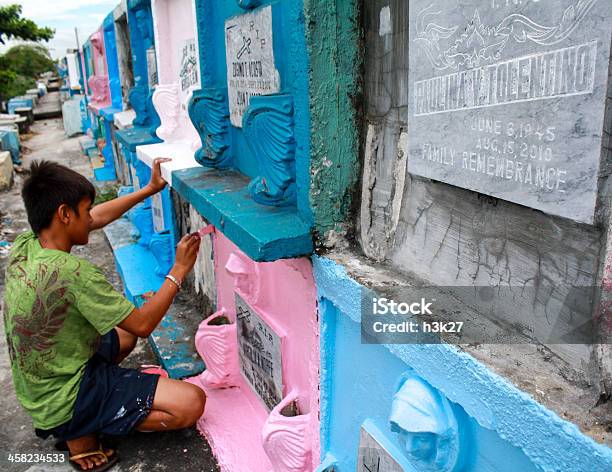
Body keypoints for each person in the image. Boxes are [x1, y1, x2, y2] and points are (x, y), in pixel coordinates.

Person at [3, 158, 205, 471]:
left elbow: (96, 218)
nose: (91, 219)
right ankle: (82, 431)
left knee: (120, 338)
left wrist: (150, 189)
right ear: (65, 214)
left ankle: (80, 420)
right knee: (190, 404)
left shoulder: (26, 246)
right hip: (66, 396)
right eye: (84, 211)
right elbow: (143, 324)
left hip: (40, 388)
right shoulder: (71, 273)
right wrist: (178, 270)